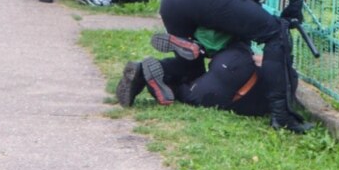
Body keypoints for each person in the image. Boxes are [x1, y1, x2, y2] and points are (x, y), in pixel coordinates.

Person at [139, 0, 312, 133]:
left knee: (192, 71)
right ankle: (282, 115)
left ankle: (147, 72)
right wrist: (294, 2)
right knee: (276, 32)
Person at [116, 41, 272, 118]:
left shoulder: (281, 71)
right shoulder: (276, 99)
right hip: (231, 86)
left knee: (192, 70)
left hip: (238, 56)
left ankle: (196, 45)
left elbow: (264, 60)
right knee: (183, 92)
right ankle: (150, 77)